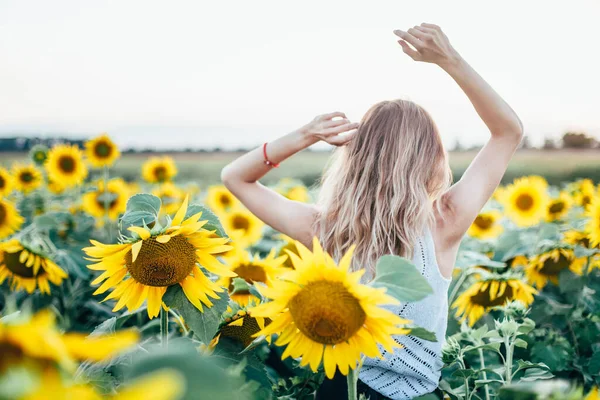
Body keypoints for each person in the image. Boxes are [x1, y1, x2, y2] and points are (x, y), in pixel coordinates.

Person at [221, 23, 523, 400]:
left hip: (340, 391)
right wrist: (451, 61)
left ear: (357, 155)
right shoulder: (445, 222)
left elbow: (235, 177)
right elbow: (508, 132)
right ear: (432, 158)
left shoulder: (325, 229)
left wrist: (306, 135)